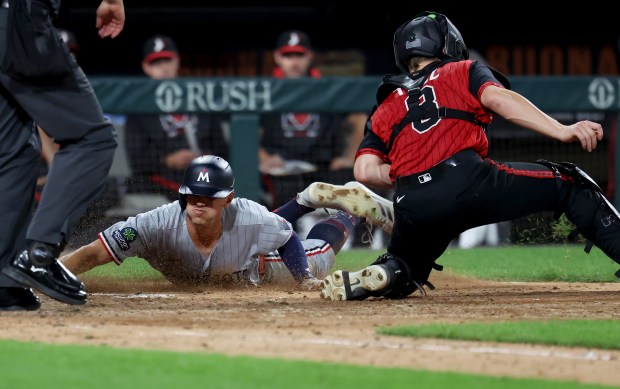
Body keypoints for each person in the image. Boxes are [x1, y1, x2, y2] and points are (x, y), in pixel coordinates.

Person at [319, 11, 620, 301]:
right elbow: (498, 98)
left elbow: (364, 170)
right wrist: (561, 130)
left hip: (411, 201)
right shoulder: (463, 69)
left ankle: (384, 272)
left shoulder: (385, 103)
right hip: (466, 180)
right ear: (446, 43)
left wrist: (407, 173)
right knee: (569, 184)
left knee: (409, 267)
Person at [59, 155, 394, 291]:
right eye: (194, 195)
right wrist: (52, 272)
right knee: (257, 225)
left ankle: (349, 211)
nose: (200, 202)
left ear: (227, 198)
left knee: (319, 254)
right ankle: (305, 201)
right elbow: (94, 252)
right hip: (240, 242)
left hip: (260, 266)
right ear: (183, 194)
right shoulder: (152, 226)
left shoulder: (247, 213)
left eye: (210, 196)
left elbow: (287, 234)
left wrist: (303, 277)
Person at [0, 0, 126, 311]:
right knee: (93, 139)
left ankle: (5, 284)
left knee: (15, 151)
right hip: (18, 22)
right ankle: (38, 254)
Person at [259, 30, 367, 211]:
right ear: (277, 57)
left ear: (309, 57)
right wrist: (265, 158)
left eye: (299, 55)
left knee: (354, 180)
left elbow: (359, 119)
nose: (294, 62)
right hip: (280, 169)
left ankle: (353, 237)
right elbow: (248, 133)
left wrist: (349, 157)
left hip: (322, 166)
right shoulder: (265, 90)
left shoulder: (326, 88)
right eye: (288, 55)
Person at [124, 34, 229, 201]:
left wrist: (203, 157)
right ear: (146, 67)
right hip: (161, 181)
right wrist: (168, 160)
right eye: (156, 62)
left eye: (167, 60)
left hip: (204, 176)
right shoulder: (139, 107)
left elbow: (222, 148)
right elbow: (137, 159)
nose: (163, 67)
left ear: (177, 61)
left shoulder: (200, 99)